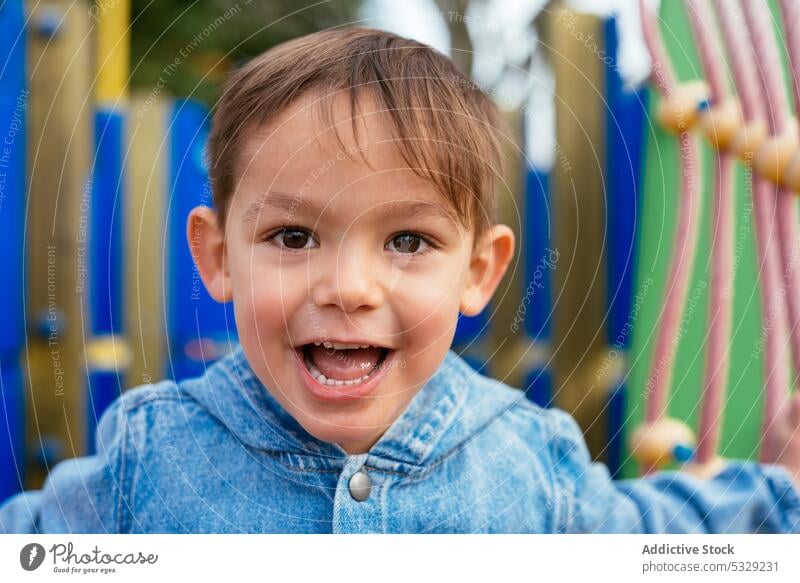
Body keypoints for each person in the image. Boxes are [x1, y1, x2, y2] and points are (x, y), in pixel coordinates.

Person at [1, 27, 799, 534]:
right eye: (293, 235)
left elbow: (651, 537)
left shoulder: (528, 459)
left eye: (408, 240)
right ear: (216, 258)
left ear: (478, 271)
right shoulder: (149, 460)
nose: (349, 287)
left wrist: (781, 496)